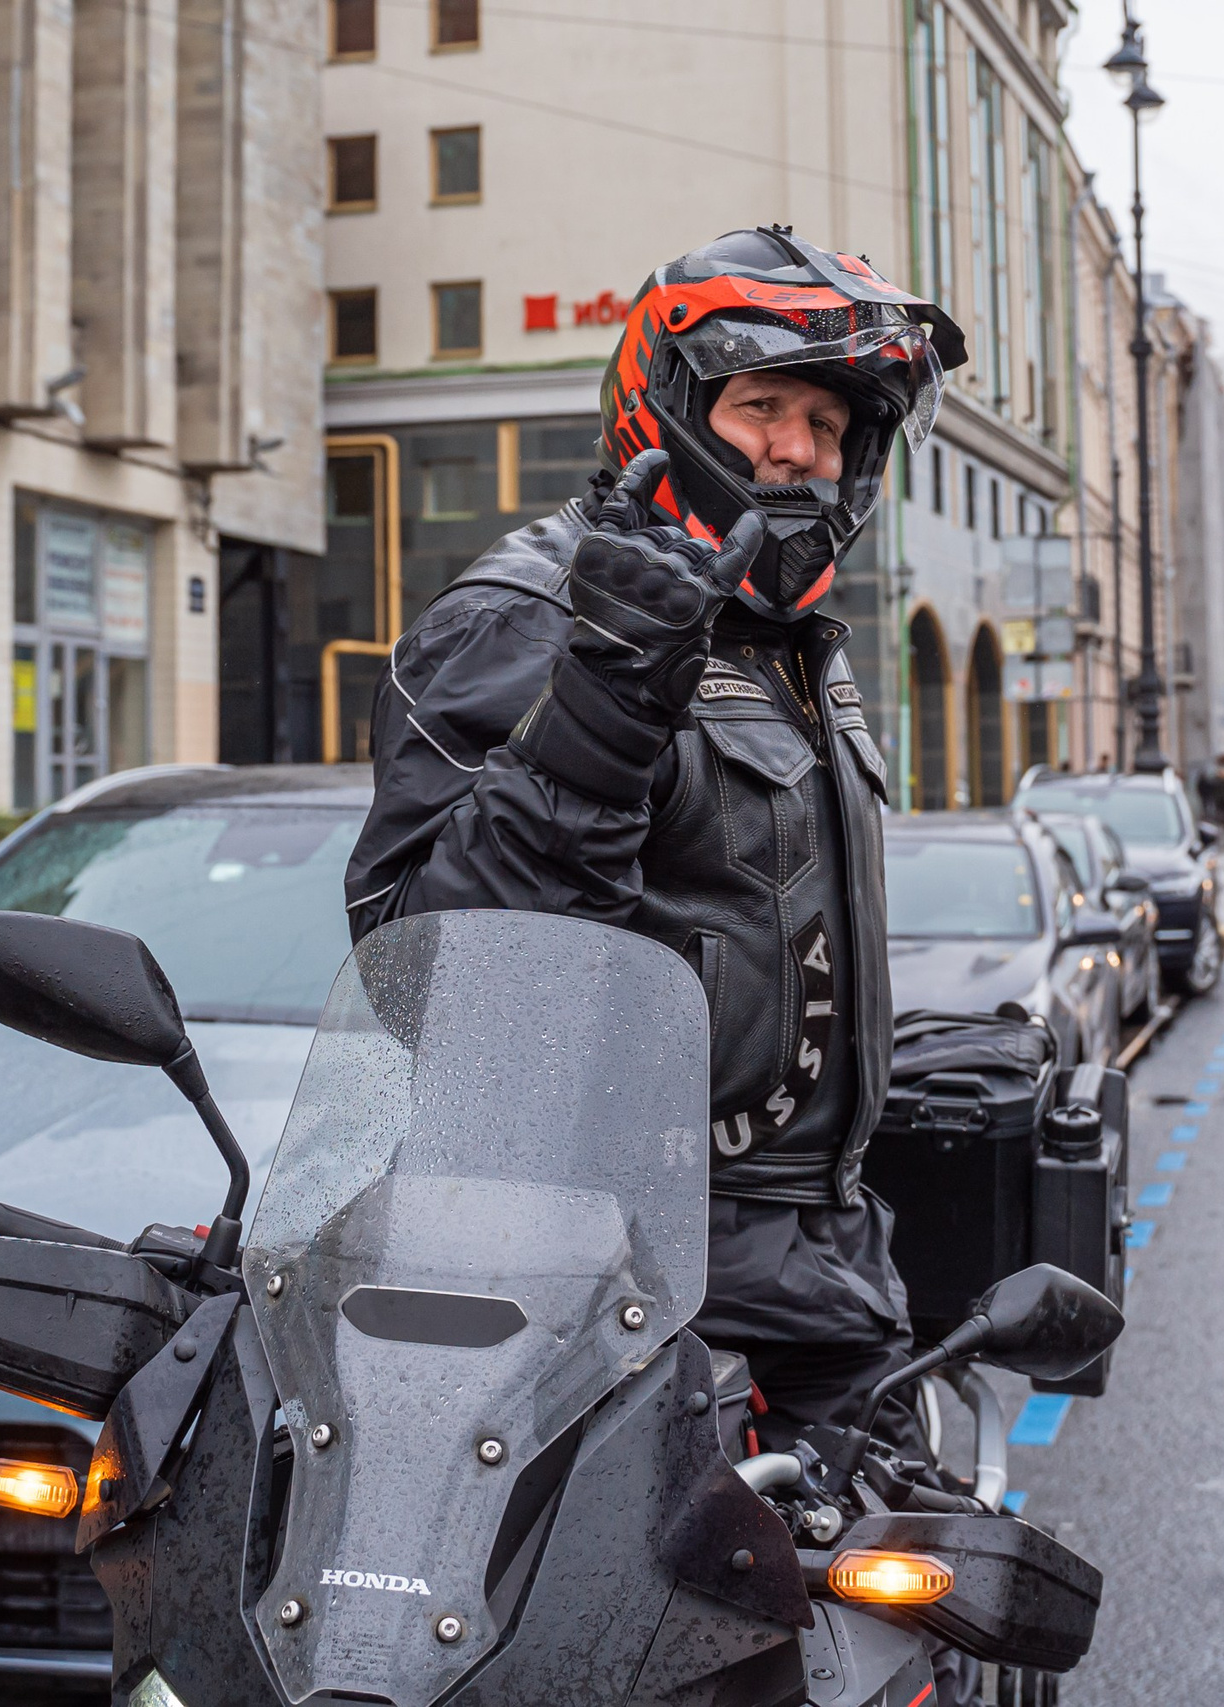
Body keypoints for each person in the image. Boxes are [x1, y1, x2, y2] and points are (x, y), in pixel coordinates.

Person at [344, 227, 965, 1456]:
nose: (798, 448)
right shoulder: (534, 614)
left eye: (830, 424)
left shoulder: (779, 640)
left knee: (909, 1629)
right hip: (609, 1289)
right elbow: (427, 965)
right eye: (764, 405)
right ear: (669, 404)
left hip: (817, 1277)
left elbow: (745, 935)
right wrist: (603, 705)